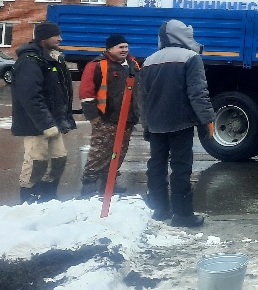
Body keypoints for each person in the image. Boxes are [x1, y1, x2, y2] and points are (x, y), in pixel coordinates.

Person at [137, 20, 215, 227]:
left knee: (156, 165)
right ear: (182, 36)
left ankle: (160, 210)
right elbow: (198, 93)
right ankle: (182, 215)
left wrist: (146, 124)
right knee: (181, 167)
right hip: (180, 121)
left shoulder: (148, 61)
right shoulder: (191, 57)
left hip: (155, 123)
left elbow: (142, 98)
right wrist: (208, 119)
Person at [11, 21, 75, 203]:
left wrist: (61, 121)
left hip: (52, 123)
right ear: (43, 38)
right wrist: (46, 123)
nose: (60, 39)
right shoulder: (29, 61)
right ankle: (28, 199)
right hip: (35, 125)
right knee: (36, 163)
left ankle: (47, 197)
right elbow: (30, 96)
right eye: (56, 35)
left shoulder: (51, 59)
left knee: (59, 159)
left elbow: (59, 93)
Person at [78, 34, 140, 197]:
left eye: (126, 46)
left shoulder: (132, 64)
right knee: (99, 154)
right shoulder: (97, 65)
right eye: (121, 47)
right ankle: (88, 188)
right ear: (110, 49)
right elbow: (86, 93)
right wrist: (94, 118)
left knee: (118, 154)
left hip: (127, 120)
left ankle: (108, 185)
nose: (125, 50)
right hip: (106, 120)